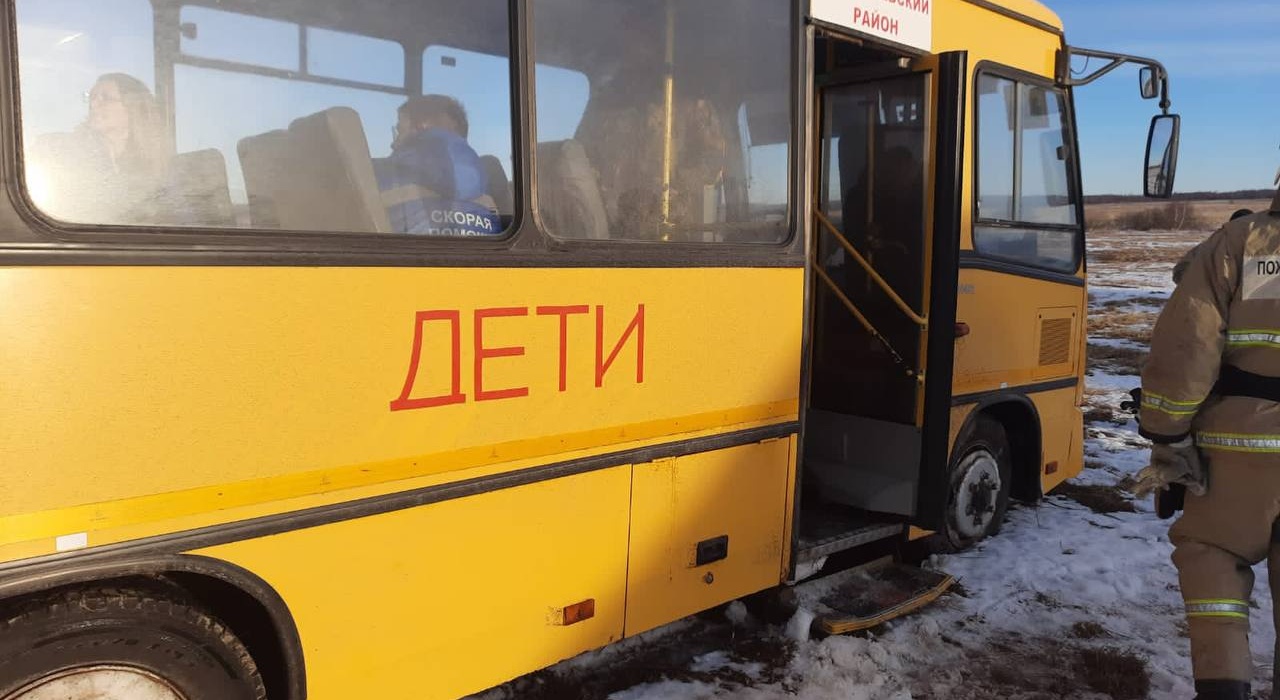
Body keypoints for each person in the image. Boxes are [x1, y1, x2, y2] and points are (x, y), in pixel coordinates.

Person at [1133, 186, 1280, 699]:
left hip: (1237, 454)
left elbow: (1189, 343)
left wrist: (1168, 435)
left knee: (1212, 560)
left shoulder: (1245, 242)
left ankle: (1223, 689)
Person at [29, 73, 169, 223]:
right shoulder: (56, 149)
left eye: (106, 98)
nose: (94, 104)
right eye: (92, 97)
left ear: (133, 107)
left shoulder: (156, 168)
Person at [374, 95, 500, 237]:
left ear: (422, 125)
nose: (393, 143)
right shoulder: (491, 194)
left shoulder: (377, 178)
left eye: (399, 131)